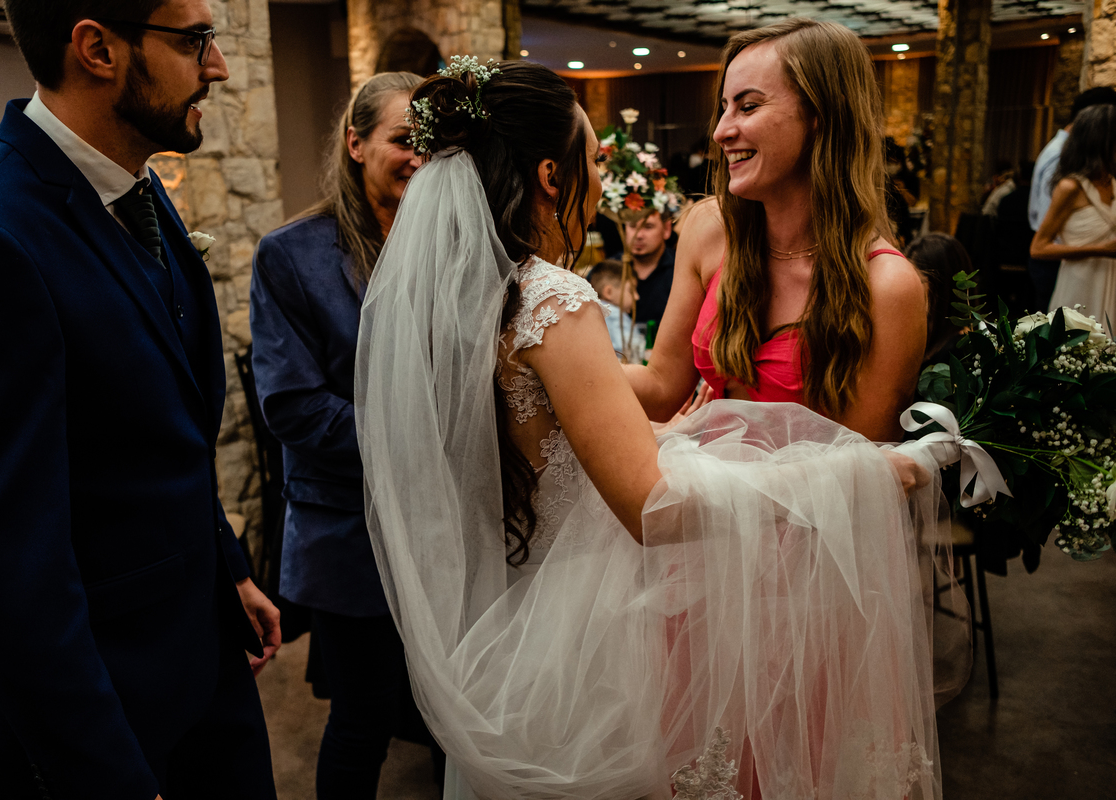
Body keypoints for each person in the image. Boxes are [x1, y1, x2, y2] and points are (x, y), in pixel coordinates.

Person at [356, 54, 949, 800]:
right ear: (550, 176)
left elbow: (557, 447)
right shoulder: (552, 297)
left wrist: (667, 438)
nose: (602, 182)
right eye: (593, 160)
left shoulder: (473, 296)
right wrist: (861, 471)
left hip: (521, 616)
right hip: (595, 625)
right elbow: (650, 508)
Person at [0, 1, 280, 796]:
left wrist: (228, 572)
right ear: (97, 49)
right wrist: (107, 775)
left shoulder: (133, 190)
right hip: (105, 713)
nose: (216, 66)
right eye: (194, 41)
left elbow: (153, 427)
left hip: (195, 660)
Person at [249, 71, 444, 798]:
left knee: (455, 711)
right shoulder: (292, 255)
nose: (420, 157)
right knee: (362, 719)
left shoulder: (452, 246)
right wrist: (433, 441)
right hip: (347, 533)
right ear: (356, 143)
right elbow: (294, 408)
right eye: (403, 139)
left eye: (431, 143)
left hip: (449, 534)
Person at [624, 19, 926, 446]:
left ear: (820, 115)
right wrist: (565, 355)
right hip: (703, 501)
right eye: (724, 107)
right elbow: (660, 388)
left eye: (748, 107)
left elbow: (864, 475)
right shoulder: (709, 229)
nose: (720, 131)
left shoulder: (887, 286)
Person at [1028, 86, 1116, 312]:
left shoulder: (1110, 181)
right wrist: (1101, 249)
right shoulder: (1066, 177)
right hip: (1068, 272)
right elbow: (1044, 240)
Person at [905, 233, 971, 365]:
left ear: (942, 287)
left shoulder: (958, 351)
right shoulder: (925, 334)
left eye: (918, 280)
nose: (907, 288)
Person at [623, 210, 675, 326]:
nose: (639, 235)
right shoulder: (608, 270)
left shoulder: (681, 269)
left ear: (666, 229)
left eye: (648, 227)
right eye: (632, 226)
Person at [587, 257, 644, 361]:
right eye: (631, 291)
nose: (637, 297)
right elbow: (630, 350)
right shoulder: (615, 315)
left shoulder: (592, 312)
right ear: (608, 292)